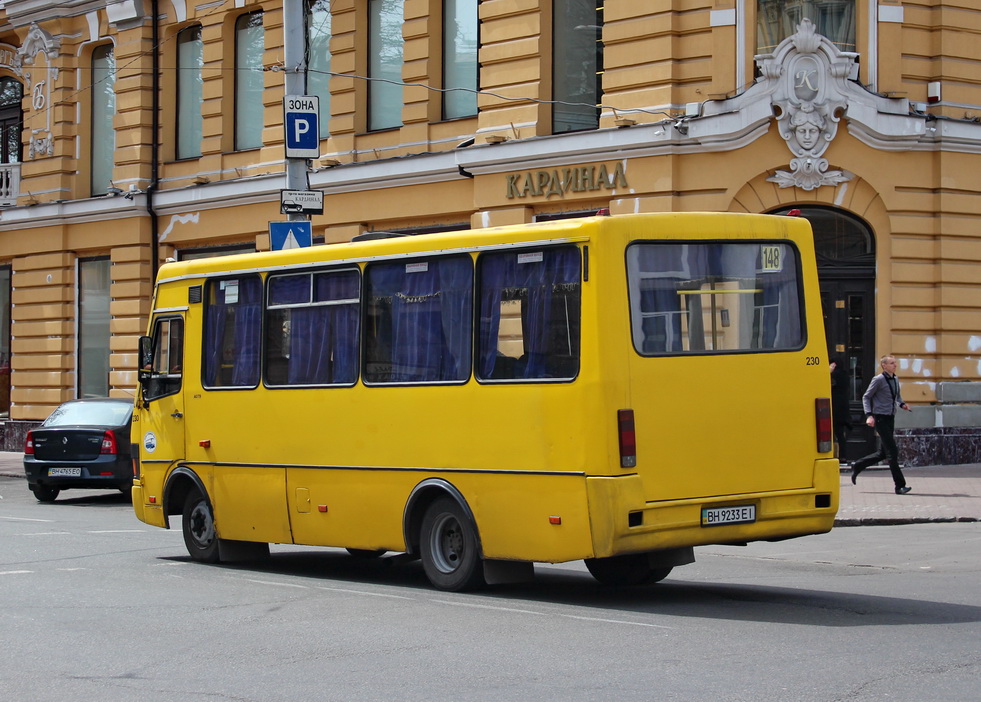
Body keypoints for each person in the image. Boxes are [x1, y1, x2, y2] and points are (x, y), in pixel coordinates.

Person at [850, 355, 913, 494]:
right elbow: (866, 396)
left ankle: (858, 465)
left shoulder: (895, 379)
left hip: (890, 418)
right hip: (880, 419)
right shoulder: (878, 379)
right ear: (884, 365)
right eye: (891, 363)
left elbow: (897, 397)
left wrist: (902, 404)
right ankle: (899, 486)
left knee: (883, 453)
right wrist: (869, 415)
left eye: (895, 363)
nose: (895, 365)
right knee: (892, 452)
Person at [829, 357, 852, 459]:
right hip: (843, 408)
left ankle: (831, 455)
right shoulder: (845, 375)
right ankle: (843, 456)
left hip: (833, 407)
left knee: (831, 433)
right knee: (840, 434)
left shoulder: (834, 375)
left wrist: (828, 372)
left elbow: (827, 384)